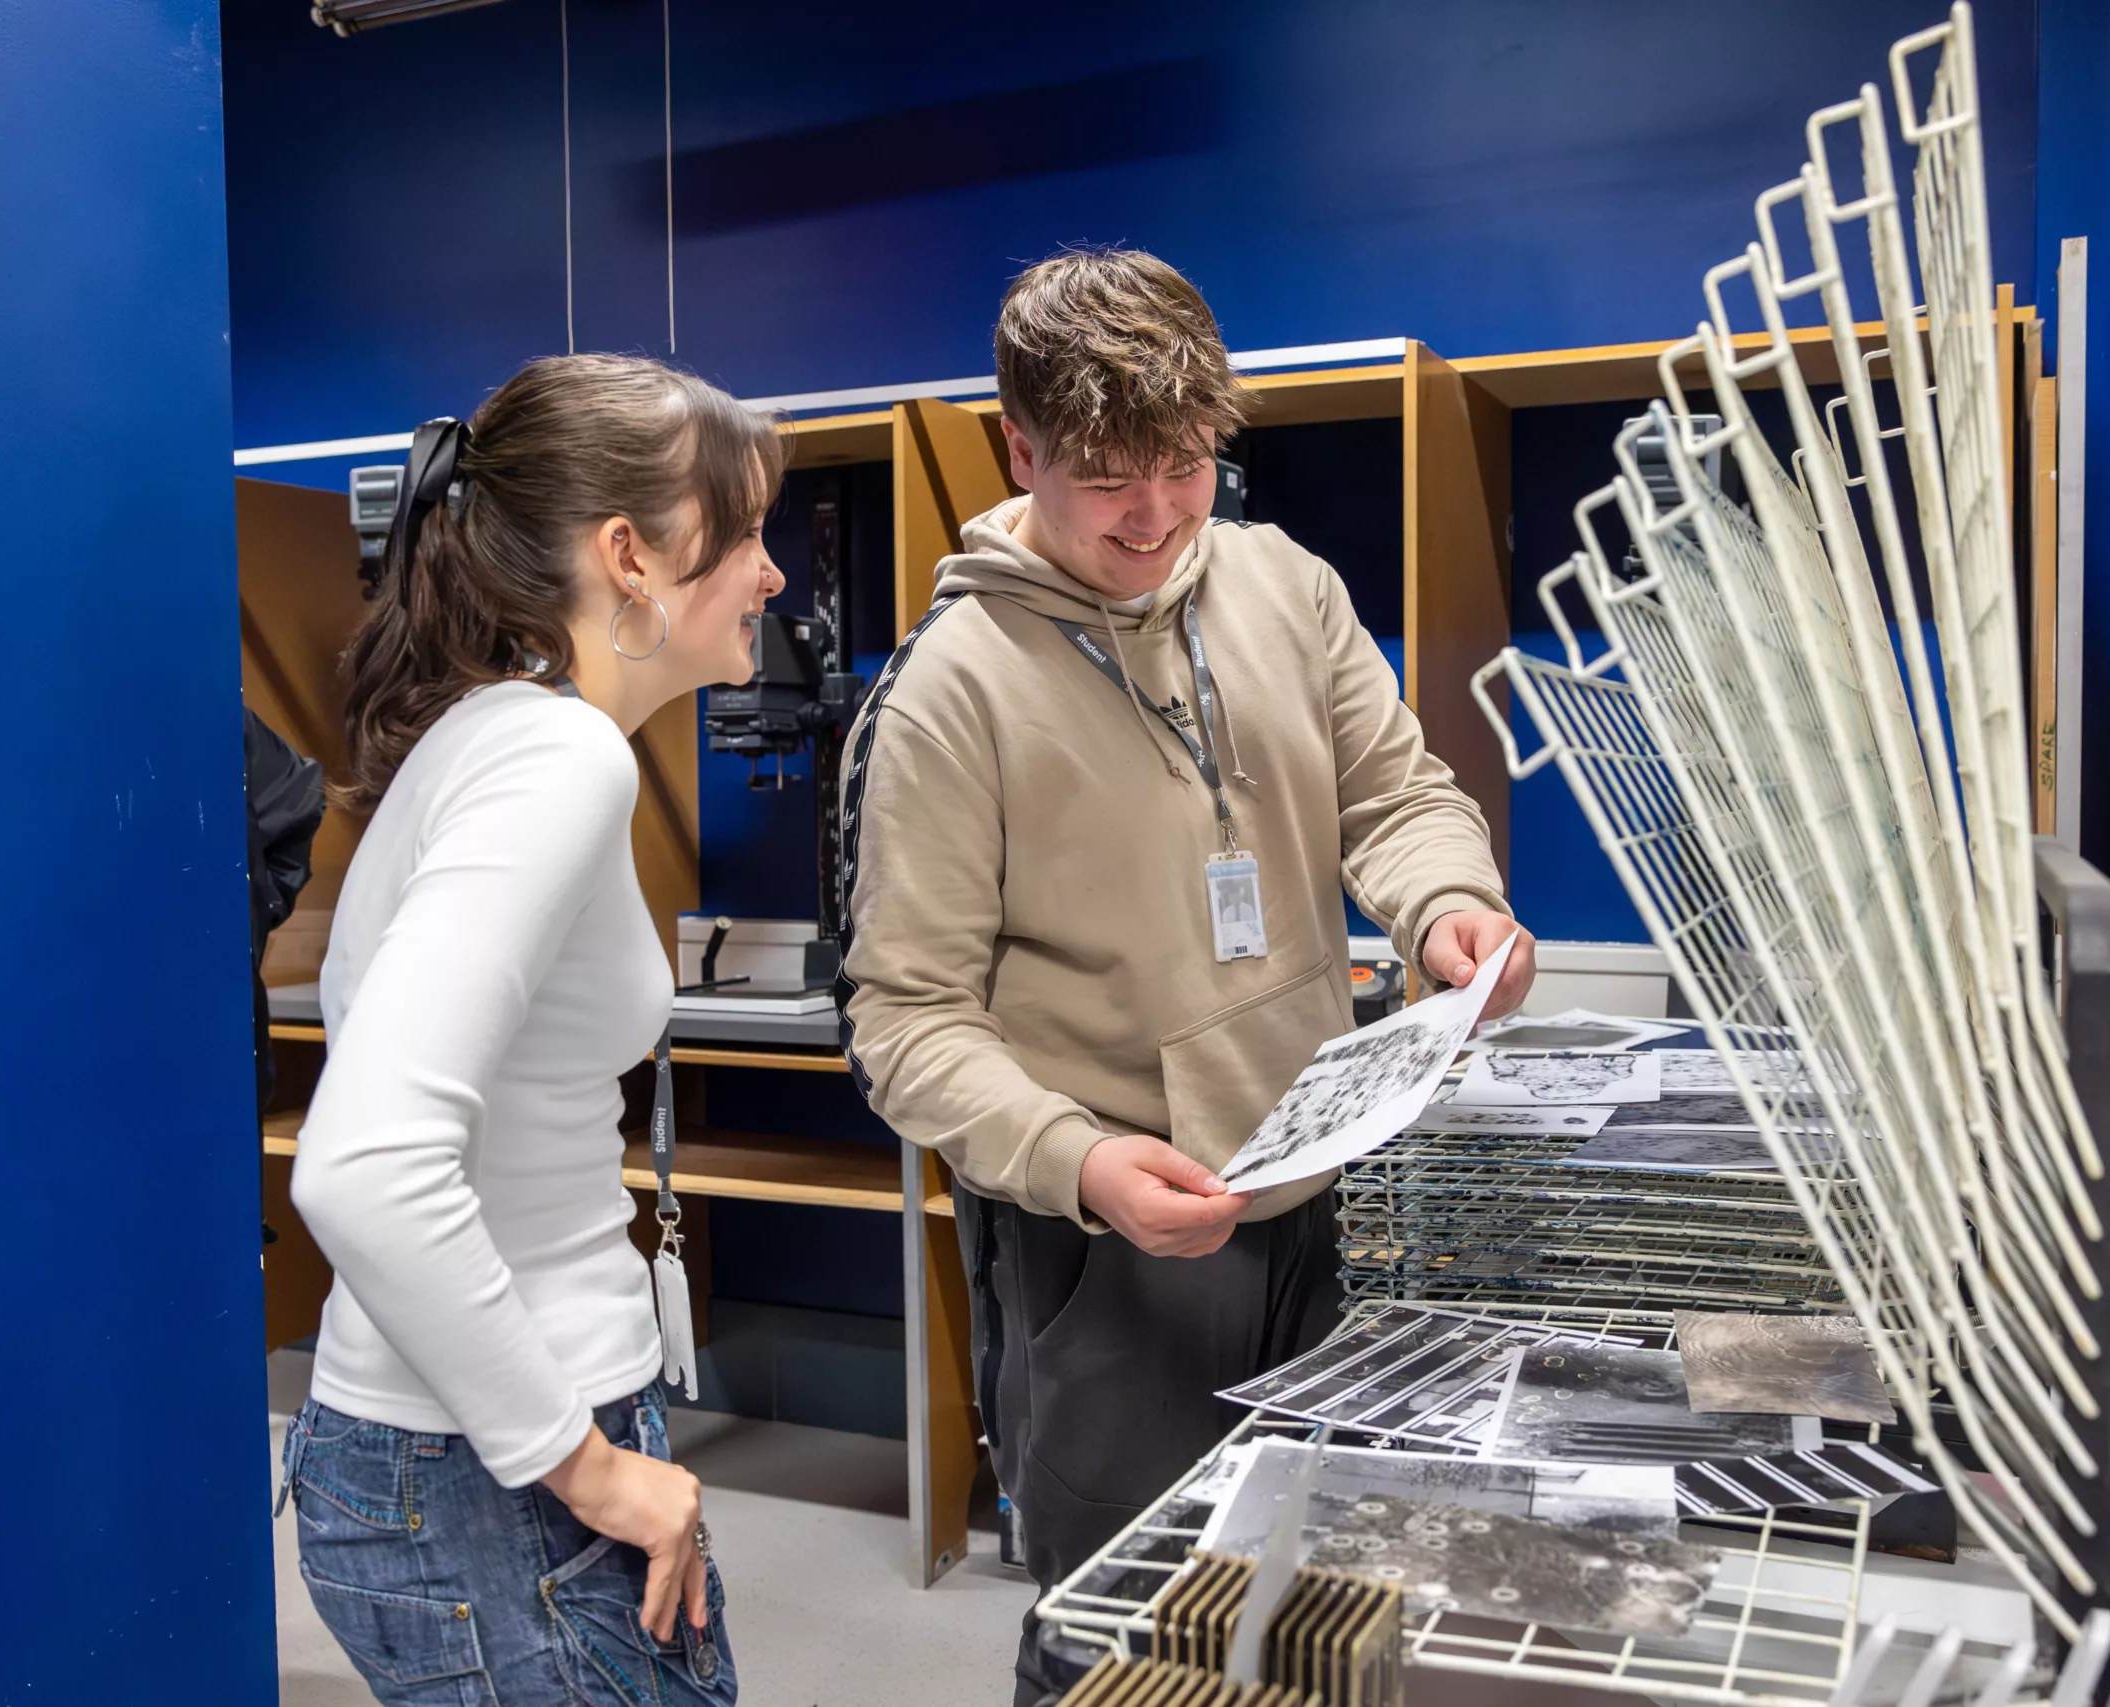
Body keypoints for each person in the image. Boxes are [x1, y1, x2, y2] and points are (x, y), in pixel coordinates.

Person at [837, 248, 1535, 1703]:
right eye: (1105, 476)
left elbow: (1396, 798)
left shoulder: (1285, 584)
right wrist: (1080, 1162)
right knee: (1128, 1630)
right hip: (1117, 1245)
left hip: (1326, 1183)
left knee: (1320, 1609)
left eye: (1182, 462)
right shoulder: (952, 690)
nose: (1154, 513)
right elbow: (905, 1019)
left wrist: (1445, 908)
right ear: (1020, 448)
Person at [281, 353, 784, 1706]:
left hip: (454, 1448)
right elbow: (365, 1164)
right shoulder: (557, 758)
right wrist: (587, 1463)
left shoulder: (498, 733)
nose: (773, 574)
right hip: (488, 1475)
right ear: (631, 554)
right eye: (744, 534)